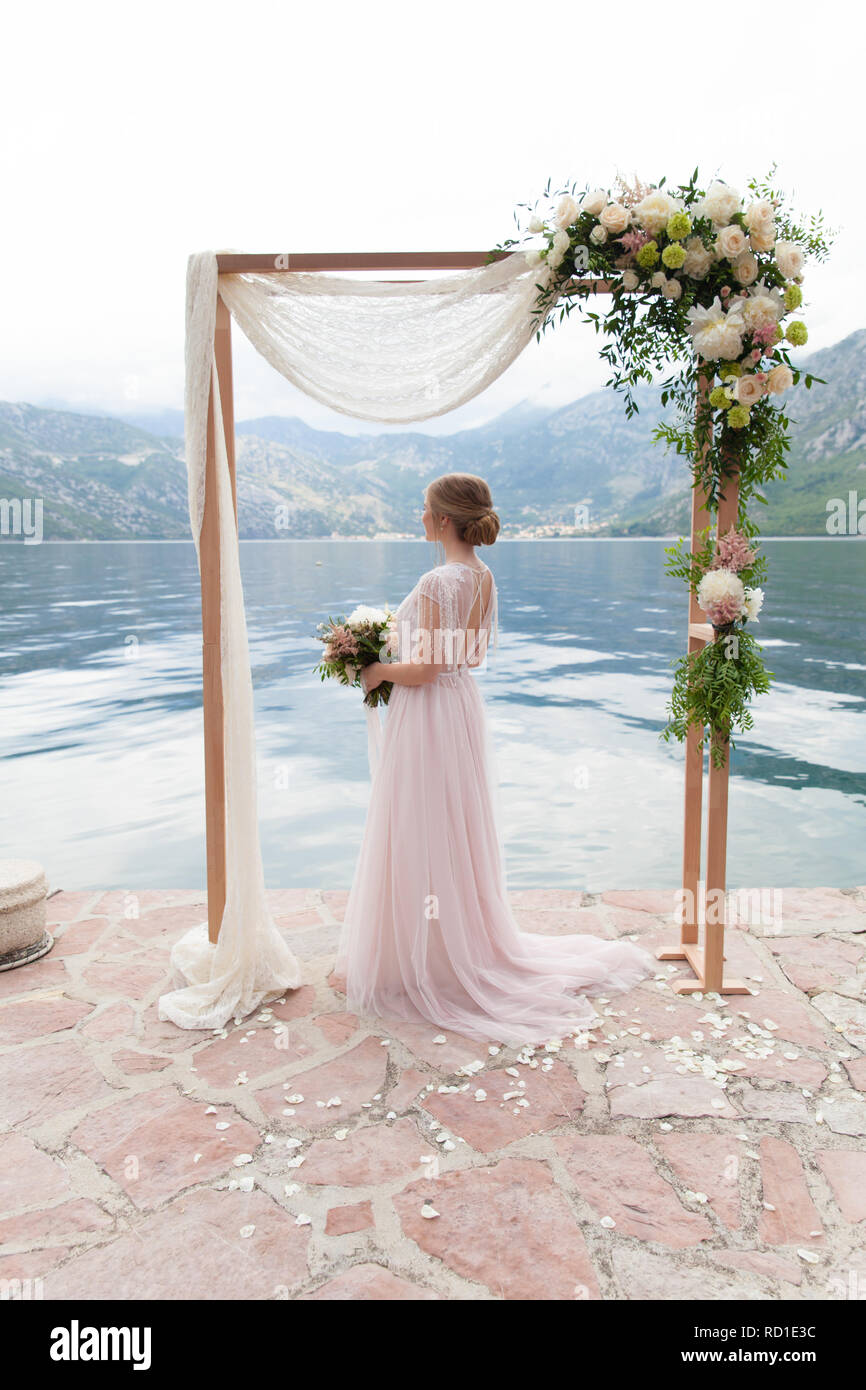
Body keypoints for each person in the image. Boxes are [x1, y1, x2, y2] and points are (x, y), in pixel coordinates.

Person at [333, 472, 656, 1046]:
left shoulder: (438, 581)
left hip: (429, 709)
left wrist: (376, 668)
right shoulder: (482, 578)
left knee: (419, 823)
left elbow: (427, 669)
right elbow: (470, 659)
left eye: (424, 509)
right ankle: (445, 946)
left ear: (444, 521)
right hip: (458, 710)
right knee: (451, 825)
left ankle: (417, 963)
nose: (419, 517)